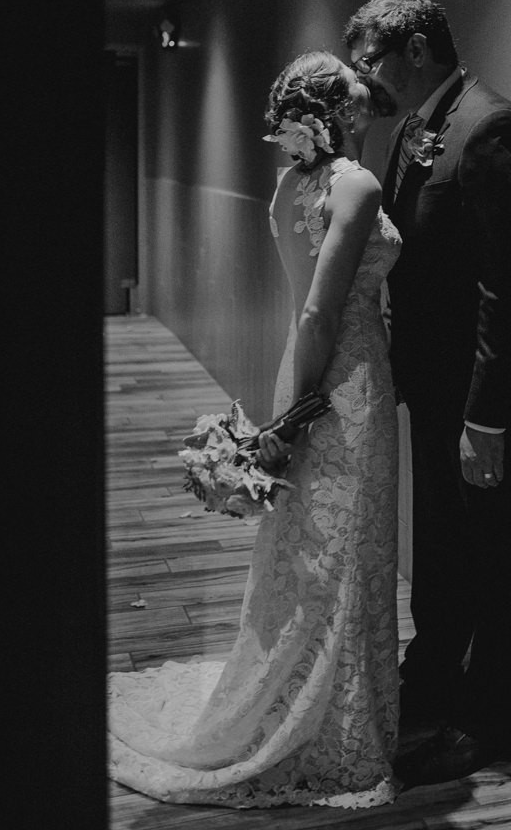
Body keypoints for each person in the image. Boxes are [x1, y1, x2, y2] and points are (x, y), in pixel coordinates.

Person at [108, 51, 403, 809]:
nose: (369, 98)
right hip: (344, 382)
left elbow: (300, 296)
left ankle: (291, 688)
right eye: (355, 95)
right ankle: (333, 730)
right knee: (345, 551)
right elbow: (321, 311)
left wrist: (288, 399)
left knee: (308, 549)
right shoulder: (359, 186)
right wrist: (297, 418)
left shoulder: (290, 186)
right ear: (336, 113)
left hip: (300, 368)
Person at [344, 0, 511, 786]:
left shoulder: (494, 127)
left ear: (415, 49)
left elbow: (508, 287)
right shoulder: (414, 128)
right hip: (436, 388)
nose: (362, 71)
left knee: (506, 556)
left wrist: (488, 416)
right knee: (443, 546)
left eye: (371, 55)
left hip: (492, 401)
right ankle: (432, 680)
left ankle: (490, 718)